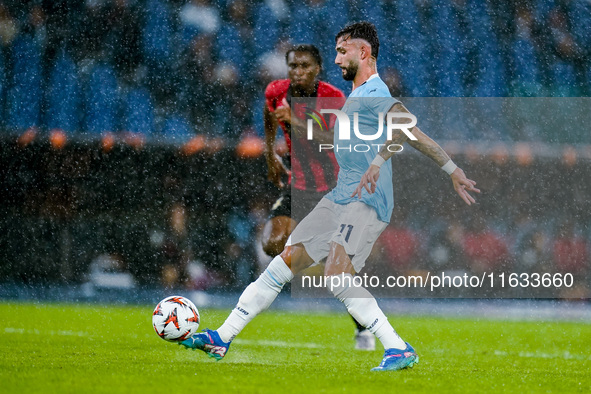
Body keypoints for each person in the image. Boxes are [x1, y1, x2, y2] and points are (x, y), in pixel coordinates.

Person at [181, 22, 480, 372]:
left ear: (363, 53)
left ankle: (398, 347)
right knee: (284, 262)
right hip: (341, 196)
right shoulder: (356, 96)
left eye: (342, 51)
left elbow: (409, 132)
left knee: (336, 275)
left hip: (367, 199)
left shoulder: (374, 93)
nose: (336, 59)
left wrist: (450, 169)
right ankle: (223, 336)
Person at [261, 43, 375, 350]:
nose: (298, 72)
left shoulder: (333, 98)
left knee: (338, 270)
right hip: (298, 185)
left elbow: (334, 139)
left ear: (318, 69)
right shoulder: (276, 91)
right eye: (293, 66)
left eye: (304, 66)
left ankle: (363, 325)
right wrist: (270, 152)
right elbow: (270, 115)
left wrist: (296, 121)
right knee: (272, 242)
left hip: (332, 188)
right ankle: (310, 257)